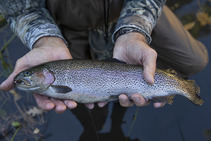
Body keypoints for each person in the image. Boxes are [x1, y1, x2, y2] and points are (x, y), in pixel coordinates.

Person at [0, 0, 208, 114]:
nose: (25, 79)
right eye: (29, 76)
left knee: (195, 60)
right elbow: (19, 9)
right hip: (64, 26)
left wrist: (135, 31)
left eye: (28, 75)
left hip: (133, 10)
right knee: (91, 105)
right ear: (45, 72)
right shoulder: (52, 74)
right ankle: (131, 91)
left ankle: (171, 84)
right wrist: (45, 39)